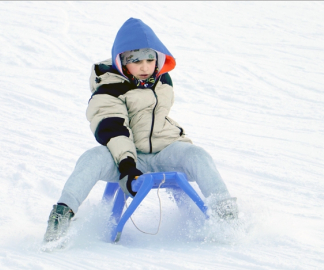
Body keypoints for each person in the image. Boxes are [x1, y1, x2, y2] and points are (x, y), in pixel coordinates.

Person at [43, 18, 238, 243]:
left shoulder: (161, 79)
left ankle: (227, 217)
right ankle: (62, 215)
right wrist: (127, 166)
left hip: (164, 151)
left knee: (198, 156)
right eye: (136, 61)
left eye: (150, 59)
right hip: (128, 157)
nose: (145, 67)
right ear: (122, 61)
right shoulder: (109, 88)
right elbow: (114, 130)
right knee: (91, 158)